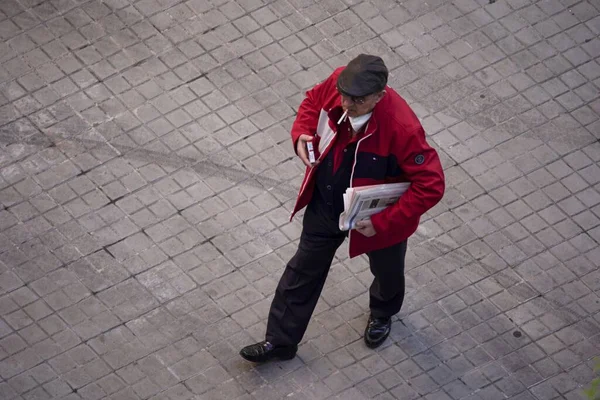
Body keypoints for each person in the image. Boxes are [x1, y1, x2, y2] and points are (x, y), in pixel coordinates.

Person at [239, 54, 445, 363]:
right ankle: (280, 342)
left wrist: (383, 222)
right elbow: (311, 102)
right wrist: (301, 135)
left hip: (376, 216)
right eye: (345, 95)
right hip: (328, 198)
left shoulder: (402, 128)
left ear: (379, 95)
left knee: (387, 272)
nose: (347, 104)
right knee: (303, 268)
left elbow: (431, 184)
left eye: (358, 100)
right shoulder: (341, 84)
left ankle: (383, 313)